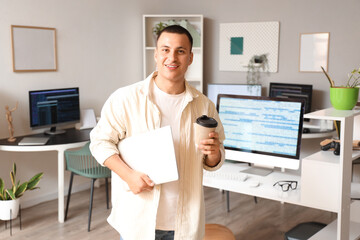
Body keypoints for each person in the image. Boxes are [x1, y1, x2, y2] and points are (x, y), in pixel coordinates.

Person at [90, 25, 225, 240]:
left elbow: (214, 160)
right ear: (156, 54)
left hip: (185, 222)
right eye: (165, 49)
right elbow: (99, 142)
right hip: (139, 219)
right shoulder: (125, 98)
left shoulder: (204, 106)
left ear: (190, 58)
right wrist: (129, 176)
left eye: (180, 51)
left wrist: (214, 153)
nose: (172, 57)